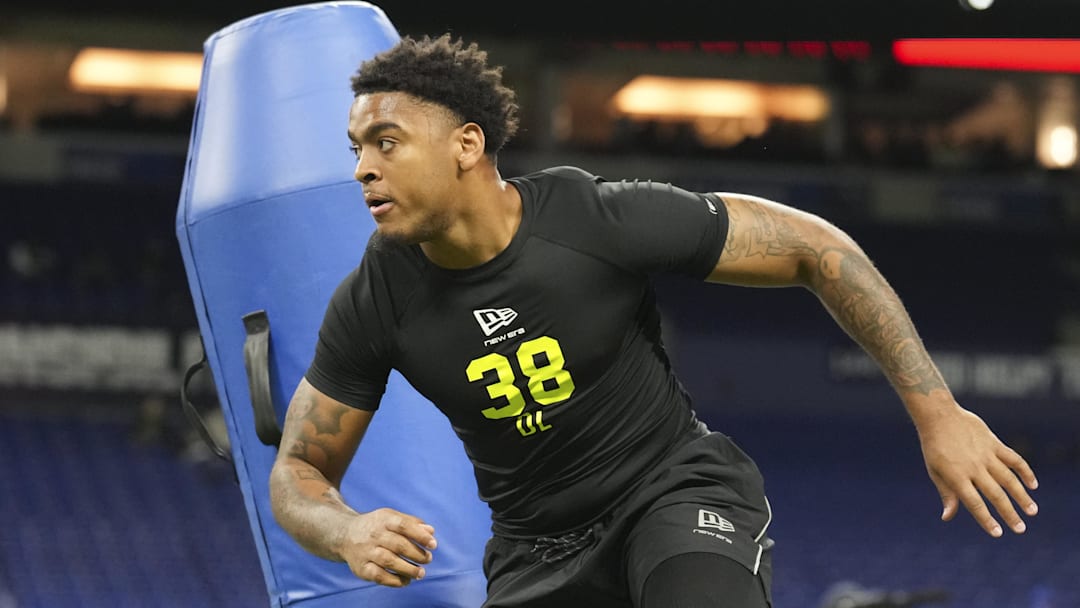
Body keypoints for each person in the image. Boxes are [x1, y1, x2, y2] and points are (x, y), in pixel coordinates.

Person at [268, 34, 1039, 608]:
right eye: (356, 148)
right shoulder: (374, 297)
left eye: (386, 142)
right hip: (535, 555)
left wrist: (938, 413)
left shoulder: (593, 218)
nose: (362, 167)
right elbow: (298, 475)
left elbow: (814, 247)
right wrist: (344, 532)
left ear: (468, 144)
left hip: (670, 495)